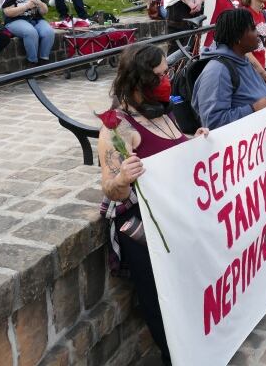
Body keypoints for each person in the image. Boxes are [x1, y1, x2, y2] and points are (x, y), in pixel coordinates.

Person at [98, 43, 209, 366]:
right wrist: (123, 178)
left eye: (167, 73)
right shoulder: (117, 128)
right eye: (159, 75)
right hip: (143, 227)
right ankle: (173, 356)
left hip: (174, 214)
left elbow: (172, 149)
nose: (167, 80)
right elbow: (111, 189)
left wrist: (193, 141)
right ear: (139, 80)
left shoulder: (163, 110)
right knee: (159, 298)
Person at [192, 8, 266, 303]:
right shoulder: (218, 70)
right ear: (236, 36)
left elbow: (259, 100)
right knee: (255, 229)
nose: (258, 34)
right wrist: (253, 110)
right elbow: (213, 122)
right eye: (251, 29)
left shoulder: (241, 62)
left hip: (262, 158)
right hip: (241, 169)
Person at [1, 0, 55, 66]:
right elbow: (8, 12)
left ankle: (44, 60)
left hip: (35, 19)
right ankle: (32, 62)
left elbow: (45, 11)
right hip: (15, 21)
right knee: (30, 32)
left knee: (48, 32)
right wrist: (26, 6)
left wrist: (39, 2)